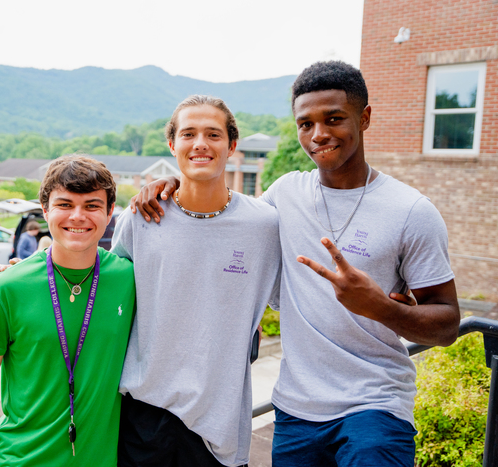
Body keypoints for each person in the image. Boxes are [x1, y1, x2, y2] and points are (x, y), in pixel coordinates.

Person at [131, 61, 460, 467]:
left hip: (374, 408)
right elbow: (225, 216)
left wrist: (380, 307)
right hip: (296, 411)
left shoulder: (411, 210)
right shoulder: (285, 195)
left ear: (365, 117)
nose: (319, 134)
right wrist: (173, 184)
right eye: (306, 124)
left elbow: (447, 324)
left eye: (334, 119)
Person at [0, 96, 282, 466]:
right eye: (189, 133)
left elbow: (293, 302)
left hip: (219, 427)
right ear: (173, 145)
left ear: (232, 146)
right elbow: (97, 276)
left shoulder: (263, 225)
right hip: (143, 416)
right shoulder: (141, 218)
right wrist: (17, 274)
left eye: (213, 134)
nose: (201, 143)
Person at [0, 155, 135, 467]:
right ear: (45, 210)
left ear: (110, 212)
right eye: (65, 204)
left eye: (92, 205)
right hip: (22, 459)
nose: (78, 216)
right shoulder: (6, 288)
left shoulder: (130, 279)